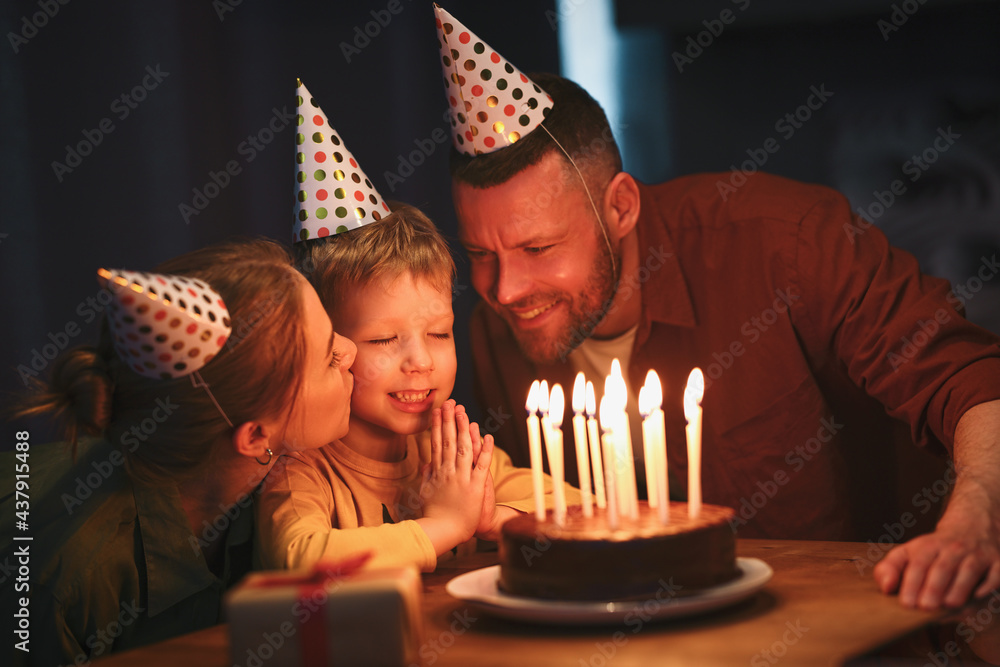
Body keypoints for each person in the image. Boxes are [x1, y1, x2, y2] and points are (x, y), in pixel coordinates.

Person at [448, 72, 1000, 610]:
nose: (505, 290)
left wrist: (978, 515)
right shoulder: (493, 333)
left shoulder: (788, 246)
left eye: (538, 248)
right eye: (479, 255)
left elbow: (971, 380)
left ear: (620, 207)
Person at [0, 238, 357, 666]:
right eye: (327, 358)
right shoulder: (58, 586)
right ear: (257, 436)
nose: (350, 350)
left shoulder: (270, 482)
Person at [257, 203, 577, 572]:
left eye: (439, 333)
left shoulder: (450, 454)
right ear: (331, 348)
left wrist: (493, 519)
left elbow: (585, 508)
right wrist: (446, 526)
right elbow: (299, 557)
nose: (422, 361)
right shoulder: (303, 470)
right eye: (383, 339)